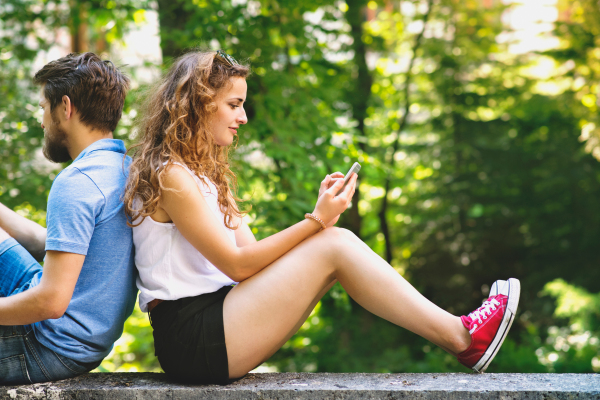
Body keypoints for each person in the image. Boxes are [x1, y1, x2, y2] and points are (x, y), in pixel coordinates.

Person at [123, 50, 520, 384]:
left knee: (332, 245)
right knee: (333, 243)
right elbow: (238, 265)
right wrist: (316, 222)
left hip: (221, 317)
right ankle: (464, 337)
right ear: (198, 104)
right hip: (191, 337)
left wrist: (318, 221)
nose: (243, 117)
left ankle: (465, 338)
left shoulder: (206, 176)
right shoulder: (170, 175)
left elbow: (255, 256)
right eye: (234, 105)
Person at [0, 53, 137, 384]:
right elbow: (60, 249)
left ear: (65, 107)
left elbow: (51, 302)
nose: (42, 120)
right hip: (78, 341)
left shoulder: (77, 183)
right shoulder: (123, 169)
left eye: (44, 108)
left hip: (47, 345)